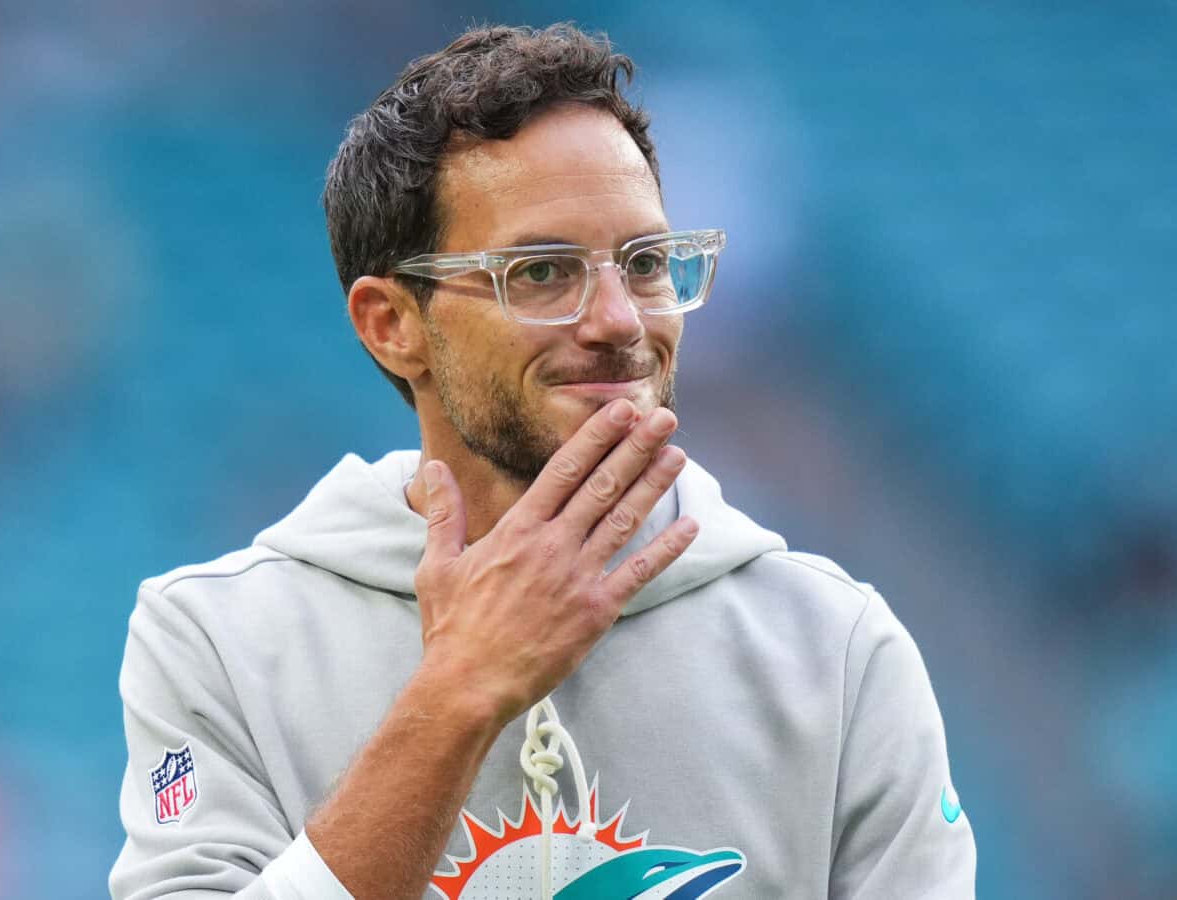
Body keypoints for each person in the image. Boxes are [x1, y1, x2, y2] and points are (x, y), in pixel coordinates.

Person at [109, 23, 976, 900]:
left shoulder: (836, 650)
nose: (620, 320)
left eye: (643, 264)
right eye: (541, 272)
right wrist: (456, 695)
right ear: (391, 324)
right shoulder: (216, 641)